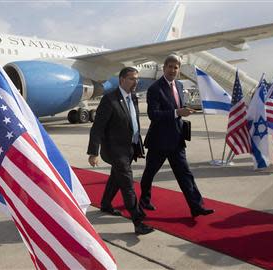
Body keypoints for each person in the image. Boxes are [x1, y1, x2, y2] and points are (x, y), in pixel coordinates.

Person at [140, 54, 214, 218]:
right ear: (164, 68)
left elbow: (176, 107)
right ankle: (144, 199)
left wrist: (184, 110)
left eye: (176, 67)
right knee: (149, 173)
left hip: (177, 139)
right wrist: (177, 112)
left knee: (185, 174)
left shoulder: (179, 86)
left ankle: (196, 206)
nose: (173, 70)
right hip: (159, 141)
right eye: (170, 67)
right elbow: (153, 114)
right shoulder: (155, 89)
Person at [87, 67, 154, 235]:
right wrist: (93, 152)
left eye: (137, 78)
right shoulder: (110, 100)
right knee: (127, 184)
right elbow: (97, 128)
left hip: (130, 147)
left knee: (116, 178)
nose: (136, 82)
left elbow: (133, 122)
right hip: (115, 150)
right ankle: (137, 221)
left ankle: (106, 204)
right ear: (122, 80)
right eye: (132, 78)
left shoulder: (134, 98)